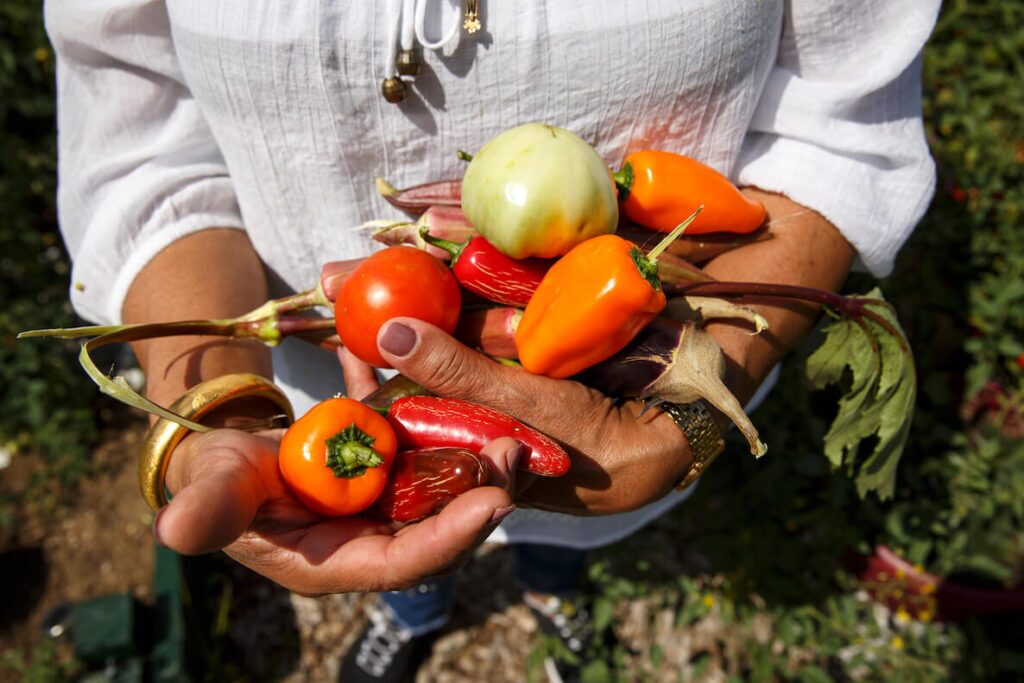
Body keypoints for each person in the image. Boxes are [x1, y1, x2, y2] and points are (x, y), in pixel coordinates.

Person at [45, 1, 939, 680]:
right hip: (332, 388)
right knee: (406, 517)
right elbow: (143, 139)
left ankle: (553, 583)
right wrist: (220, 405)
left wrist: (687, 427)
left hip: (645, 374)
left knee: (564, 518)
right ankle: (419, 604)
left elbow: (841, 124)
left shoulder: (641, 319)